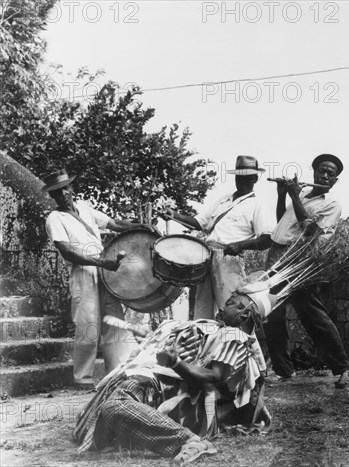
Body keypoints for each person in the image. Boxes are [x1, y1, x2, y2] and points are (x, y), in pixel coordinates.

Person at [73, 282, 273, 464]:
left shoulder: (234, 335)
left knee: (114, 408)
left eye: (230, 303)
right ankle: (130, 426)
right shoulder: (209, 327)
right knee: (88, 427)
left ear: (244, 313)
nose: (221, 306)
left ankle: (187, 440)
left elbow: (213, 379)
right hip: (144, 376)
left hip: (160, 387)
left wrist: (175, 362)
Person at [43, 169, 150, 387]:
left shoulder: (84, 208)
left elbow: (114, 224)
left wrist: (140, 226)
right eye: (58, 192)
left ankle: (118, 372)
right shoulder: (54, 218)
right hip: (83, 272)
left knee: (114, 319)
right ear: (53, 196)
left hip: (104, 269)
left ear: (71, 188)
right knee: (87, 324)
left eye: (65, 188)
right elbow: (66, 252)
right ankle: (82, 378)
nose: (64, 194)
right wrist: (101, 263)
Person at [263, 154, 349, 388]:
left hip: (298, 259)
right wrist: (283, 195)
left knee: (312, 313)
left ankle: (341, 368)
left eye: (330, 174)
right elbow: (283, 220)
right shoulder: (300, 195)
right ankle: (283, 371)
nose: (324, 175)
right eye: (321, 170)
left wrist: (293, 195)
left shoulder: (331, 204)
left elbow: (310, 230)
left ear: (335, 180)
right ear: (313, 171)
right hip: (276, 255)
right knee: (272, 313)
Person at [164, 155, 274, 319]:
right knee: (201, 313)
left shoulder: (258, 204)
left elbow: (267, 239)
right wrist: (174, 215)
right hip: (207, 257)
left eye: (247, 176)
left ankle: (241, 343)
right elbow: (199, 223)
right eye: (239, 175)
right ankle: (205, 342)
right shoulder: (224, 200)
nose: (242, 180)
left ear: (255, 178)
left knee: (232, 312)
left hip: (229, 260)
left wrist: (240, 245)